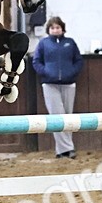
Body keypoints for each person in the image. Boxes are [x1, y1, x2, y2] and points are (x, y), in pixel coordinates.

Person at [31, 16, 83, 158]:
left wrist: (72, 73)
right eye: (53, 28)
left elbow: (78, 61)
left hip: (69, 84)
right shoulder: (43, 44)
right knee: (57, 116)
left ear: (62, 29)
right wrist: (46, 73)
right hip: (49, 84)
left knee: (68, 116)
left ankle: (62, 150)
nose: (55, 30)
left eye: (58, 27)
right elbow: (36, 62)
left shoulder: (70, 43)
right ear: (49, 29)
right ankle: (67, 149)